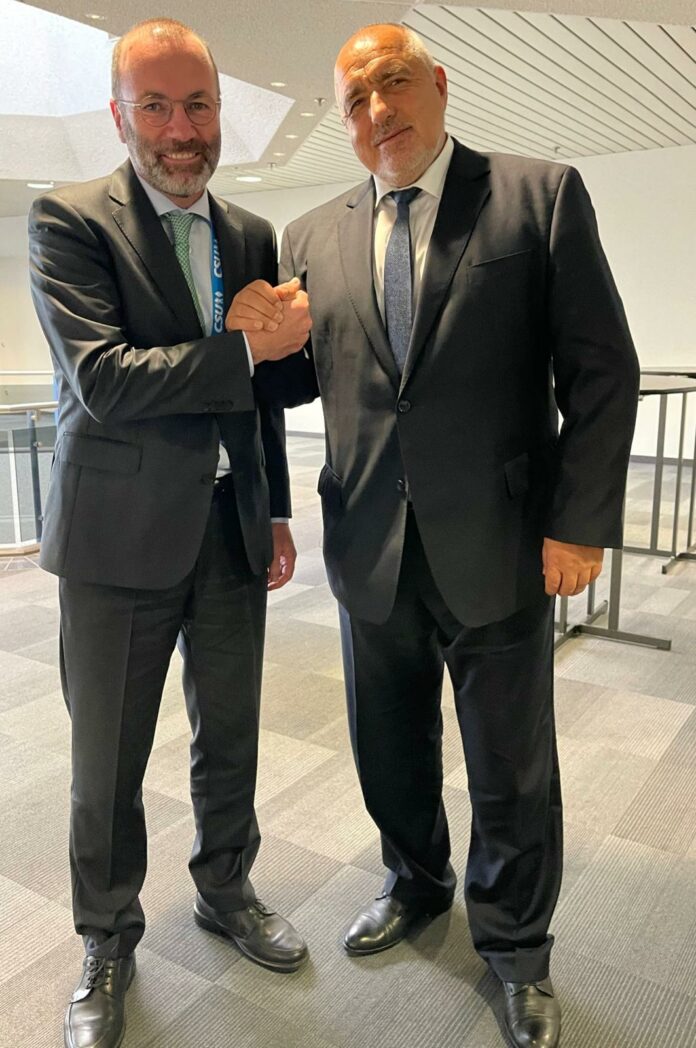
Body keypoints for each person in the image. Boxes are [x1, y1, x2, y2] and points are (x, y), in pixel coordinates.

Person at [277, 22, 640, 1048]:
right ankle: (415, 879)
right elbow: (302, 377)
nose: (376, 111)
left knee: (510, 764)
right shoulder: (310, 235)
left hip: (503, 541)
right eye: (354, 100)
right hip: (369, 546)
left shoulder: (537, 196)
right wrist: (253, 341)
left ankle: (517, 947)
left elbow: (601, 369)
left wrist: (578, 522)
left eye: (392, 83)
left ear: (437, 83)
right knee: (387, 744)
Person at [29, 19, 313, 1048]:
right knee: (108, 759)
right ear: (120, 116)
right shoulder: (68, 220)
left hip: (231, 530)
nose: (181, 129)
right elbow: (103, 381)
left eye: (197, 105)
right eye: (156, 106)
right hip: (115, 544)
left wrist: (274, 506)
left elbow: (266, 390)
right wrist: (243, 347)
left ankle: (226, 889)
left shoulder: (250, 233)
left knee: (230, 733)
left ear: (219, 112)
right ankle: (107, 938)